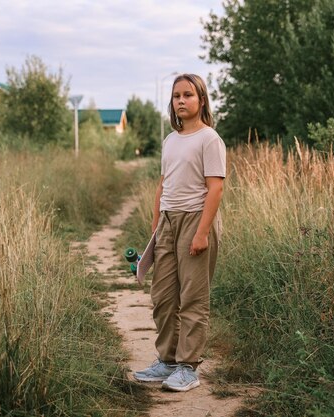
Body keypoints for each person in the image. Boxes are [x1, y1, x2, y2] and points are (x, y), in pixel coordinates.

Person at [133, 73, 226, 392]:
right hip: (168, 223)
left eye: (188, 95)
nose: (181, 100)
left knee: (192, 297)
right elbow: (163, 184)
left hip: (195, 220)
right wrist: (156, 222)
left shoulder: (209, 139)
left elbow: (215, 189)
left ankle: (188, 367)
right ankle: (167, 361)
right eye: (176, 96)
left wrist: (202, 233)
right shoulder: (170, 140)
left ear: (201, 100)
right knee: (162, 295)